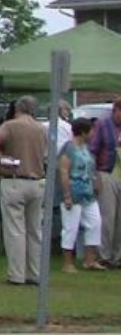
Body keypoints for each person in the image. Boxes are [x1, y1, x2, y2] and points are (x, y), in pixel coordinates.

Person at [0, 94, 47, 286]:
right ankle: (35, 273)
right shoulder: (41, 128)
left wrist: (0, 156)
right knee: (35, 230)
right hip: (37, 181)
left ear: (17, 108)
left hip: (14, 180)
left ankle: (16, 275)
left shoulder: (10, 125)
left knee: (15, 230)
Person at [59, 116, 106, 272]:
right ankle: (67, 263)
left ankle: (90, 260)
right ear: (83, 132)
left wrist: (96, 183)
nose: (93, 133)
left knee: (95, 223)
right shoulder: (68, 148)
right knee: (70, 227)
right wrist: (67, 195)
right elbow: (64, 171)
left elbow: (91, 169)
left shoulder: (86, 148)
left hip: (88, 193)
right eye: (91, 130)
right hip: (74, 192)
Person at [86, 99, 121, 267]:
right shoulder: (102, 125)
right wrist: (94, 176)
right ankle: (104, 255)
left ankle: (118, 256)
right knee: (108, 216)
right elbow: (92, 151)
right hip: (107, 173)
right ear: (115, 110)